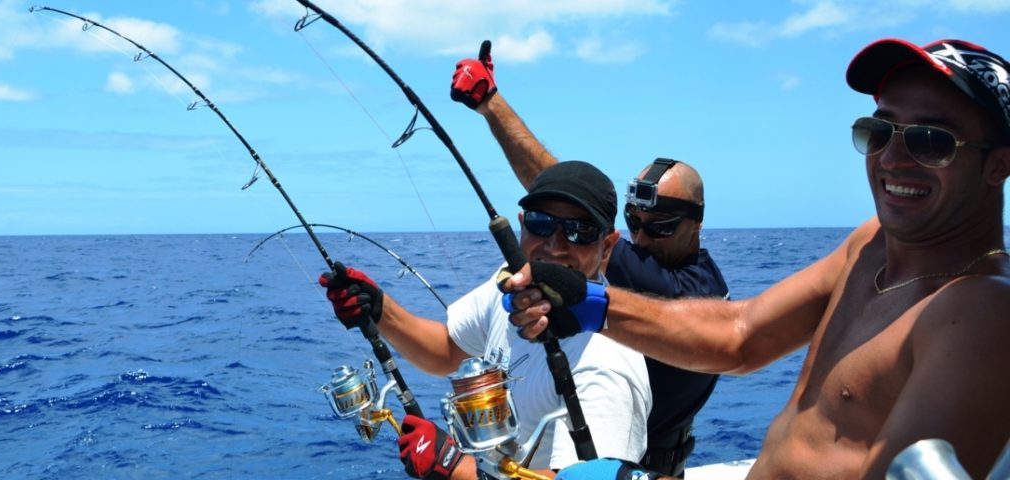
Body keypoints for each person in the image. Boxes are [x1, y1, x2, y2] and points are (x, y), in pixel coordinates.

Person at [503, 38, 1010, 480]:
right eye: (880, 132)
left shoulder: (981, 317)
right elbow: (741, 335)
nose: (894, 159)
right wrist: (591, 304)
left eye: (931, 141)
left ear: (999, 164)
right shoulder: (873, 243)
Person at [450, 42, 729, 477]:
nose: (640, 237)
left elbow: (563, 196)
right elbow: (568, 202)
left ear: (697, 225)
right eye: (634, 221)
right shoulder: (674, 266)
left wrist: (492, 106)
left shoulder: (679, 287)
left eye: (658, 227)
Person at [320, 161, 651, 479]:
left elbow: (581, 478)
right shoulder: (515, 286)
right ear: (522, 223)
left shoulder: (607, 360)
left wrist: (455, 468)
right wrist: (382, 311)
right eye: (541, 223)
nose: (554, 245)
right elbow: (448, 350)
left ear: (607, 246)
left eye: (580, 231)